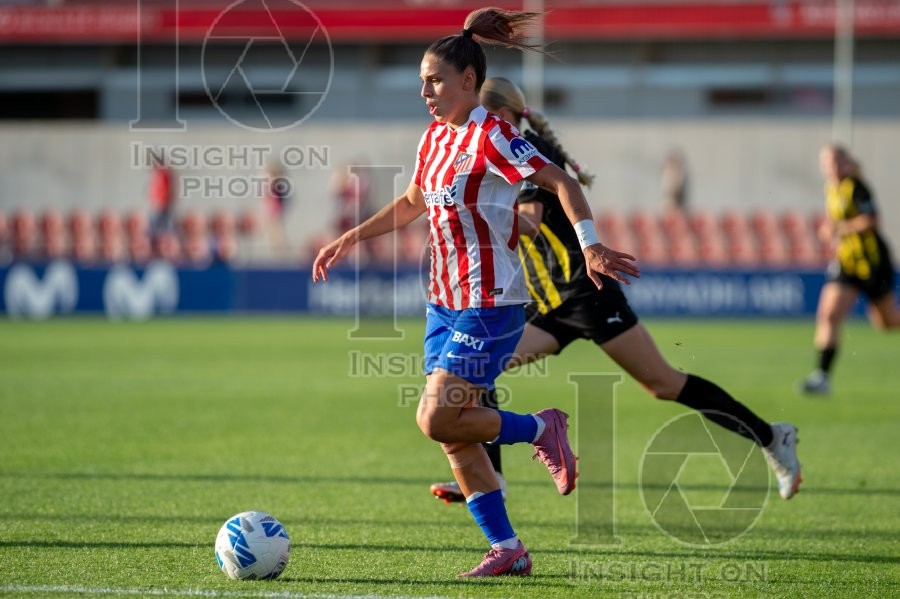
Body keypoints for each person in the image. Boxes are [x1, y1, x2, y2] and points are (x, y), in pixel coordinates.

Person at [312, 8, 639, 578]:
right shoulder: (434, 139)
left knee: (436, 417)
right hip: (443, 305)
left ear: (469, 80)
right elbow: (412, 203)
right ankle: (508, 549)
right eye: (422, 82)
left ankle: (541, 428)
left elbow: (560, 180)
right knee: (453, 433)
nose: (425, 92)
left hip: (491, 302)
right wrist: (350, 237)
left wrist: (590, 245)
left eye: (434, 81)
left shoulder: (494, 136)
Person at [428, 77, 802, 509]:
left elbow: (529, 220)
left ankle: (773, 437)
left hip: (587, 295)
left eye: (484, 113)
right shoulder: (487, 151)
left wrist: (477, 212)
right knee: (477, 366)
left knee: (663, 384)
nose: (476, 122)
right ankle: (493, 475)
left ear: (505, 114)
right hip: (548, 304)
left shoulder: (525, 149)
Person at [799, 145, 900, 395]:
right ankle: (822, 377)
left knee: (887, 323)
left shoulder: (856, 187)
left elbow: (871, 220)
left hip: (873, 263)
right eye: (828, 162)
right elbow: (837, 223)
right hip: (847, 263)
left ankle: (822, 376)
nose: (832, 166)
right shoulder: (831, 189)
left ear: (845, 162)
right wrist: (829, 231)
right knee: (829, 314)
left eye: (837, 160)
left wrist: (839, 228)